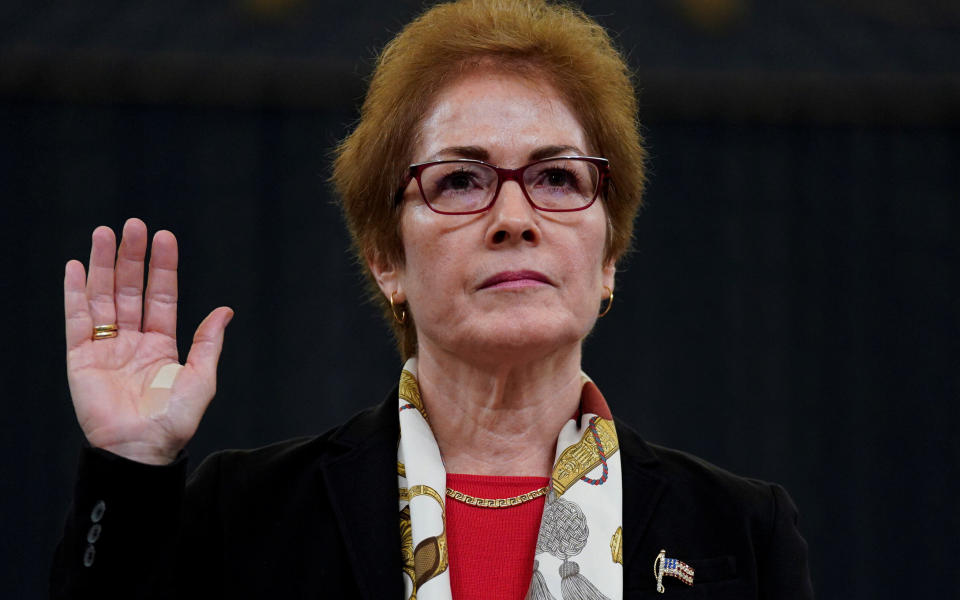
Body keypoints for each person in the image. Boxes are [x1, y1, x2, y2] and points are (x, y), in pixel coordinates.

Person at [51, 1, 813, 599]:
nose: (514, 220)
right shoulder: (246, 517)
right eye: (459, 181)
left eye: (557, 178)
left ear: (609, 254)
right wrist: (129, 463)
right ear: (387, 258)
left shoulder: (741, 533)